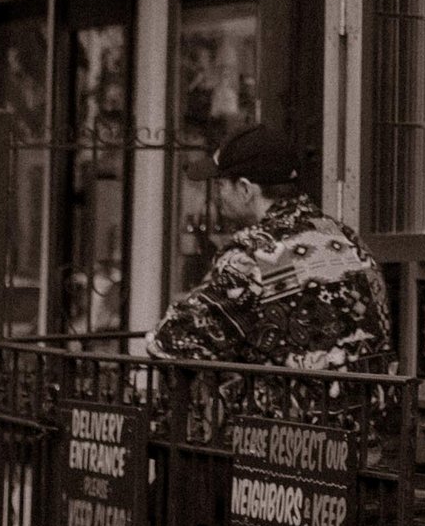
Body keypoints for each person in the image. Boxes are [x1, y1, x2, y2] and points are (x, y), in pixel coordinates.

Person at [150, 125, 397, 373]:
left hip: (290, 409)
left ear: (246, 189)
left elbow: (169, 342)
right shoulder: (347, 237)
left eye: (221, 185)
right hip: (370, 406)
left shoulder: (255, 254)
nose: (217, 195)